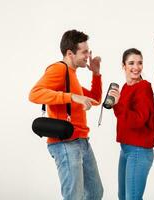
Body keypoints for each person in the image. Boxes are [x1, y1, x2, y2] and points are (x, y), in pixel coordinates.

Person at [29, 29, 104, 200]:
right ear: (70, 53)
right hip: (65, 144)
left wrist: (96, 73)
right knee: (74, 196)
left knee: (95, 193)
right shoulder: (58, 69)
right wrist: (71, 97)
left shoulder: (72, 75)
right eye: (84, 52)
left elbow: (94, 99)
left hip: (82, 141)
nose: (88, 55)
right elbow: (34, 94)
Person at [109, 48, 154, 200]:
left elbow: (138, 120)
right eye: (131, 63)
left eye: (139, 63)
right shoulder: (125, 87)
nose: (136, 67)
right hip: (126, 148)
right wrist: (115, 104)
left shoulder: (143, 88)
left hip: (139, 150)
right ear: (123, 66)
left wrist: (118, 105)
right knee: (123, 196)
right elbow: (122, 117)